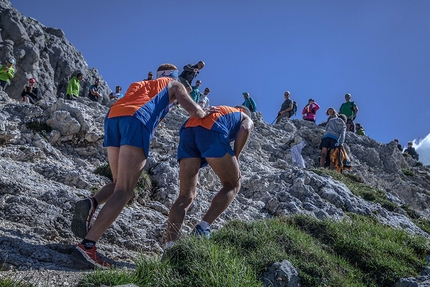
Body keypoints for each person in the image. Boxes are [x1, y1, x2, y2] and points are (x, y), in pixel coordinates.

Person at [69, 63, 213, 269]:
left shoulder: (141, 83)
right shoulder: (175, 84)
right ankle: (87, 247)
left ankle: (92, 202)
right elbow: (194, 111)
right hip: (137, 121)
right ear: (174, 76)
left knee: (119, 182)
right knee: (125, 190)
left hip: (112, 117)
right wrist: (205, 111)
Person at [166, 105, 254, 247]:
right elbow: (245, 129)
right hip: (212, 130)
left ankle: (169, 246)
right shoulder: (243, 115)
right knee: (233, 184)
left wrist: (196, 171)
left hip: (187, 129)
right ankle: (203, 228)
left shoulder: (221, 110)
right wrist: (235, 158)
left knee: (185, 196)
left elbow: (199, 137)